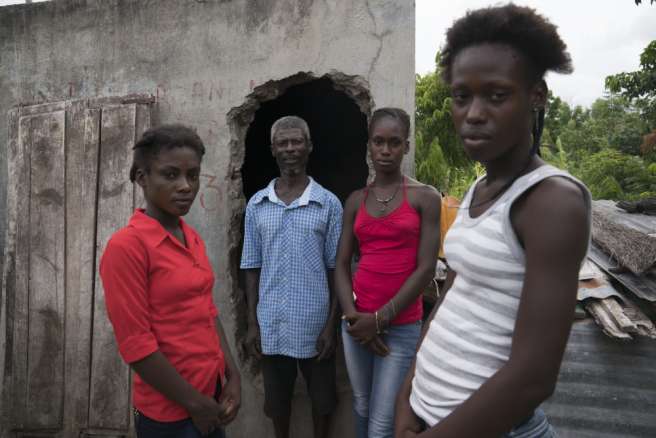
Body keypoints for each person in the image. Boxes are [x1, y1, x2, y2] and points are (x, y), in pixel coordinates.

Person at [394, 5, 591, 438]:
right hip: (427, 416)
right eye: (462, 96)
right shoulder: (480, 188)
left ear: (537, 95)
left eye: (496, 95)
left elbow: (533, 377)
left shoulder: (551, 202)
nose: (474, 113)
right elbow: (452, 298)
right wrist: (407, 395)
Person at [100, 124, 241, 438]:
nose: (185, 186)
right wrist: (194, 404)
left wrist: (231, 375)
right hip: (170, 416)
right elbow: (136, 345)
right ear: (142, 178)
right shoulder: (127, 247)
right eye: (170, 174)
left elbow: (207, 311)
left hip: (210, 398)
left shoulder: (191, 239)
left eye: (192, 175)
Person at [335, 107, 442, 438]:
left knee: (382, 423)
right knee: (362, 407)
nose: (385, 150)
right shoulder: (355, 200)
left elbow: (426, 268)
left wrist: (380, 320)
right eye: (378, 142)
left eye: (394, 143)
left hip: (400, 326)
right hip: (356, 327)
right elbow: (341, 264)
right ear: (369, 145)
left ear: (406, 146)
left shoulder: (425, 197)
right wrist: (354, 317)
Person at [240, 116, 343, 438]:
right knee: (277, 402)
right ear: (273, 150)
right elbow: (251, 266)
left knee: (323, 400)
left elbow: (336, 269)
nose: (290, 149)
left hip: (315, 324)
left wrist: (331, 325)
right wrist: (253, 322)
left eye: (296, 141)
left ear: (309, 147)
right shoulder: (257, 204)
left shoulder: (328, 204)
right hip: (272, 323)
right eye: (282, 143)